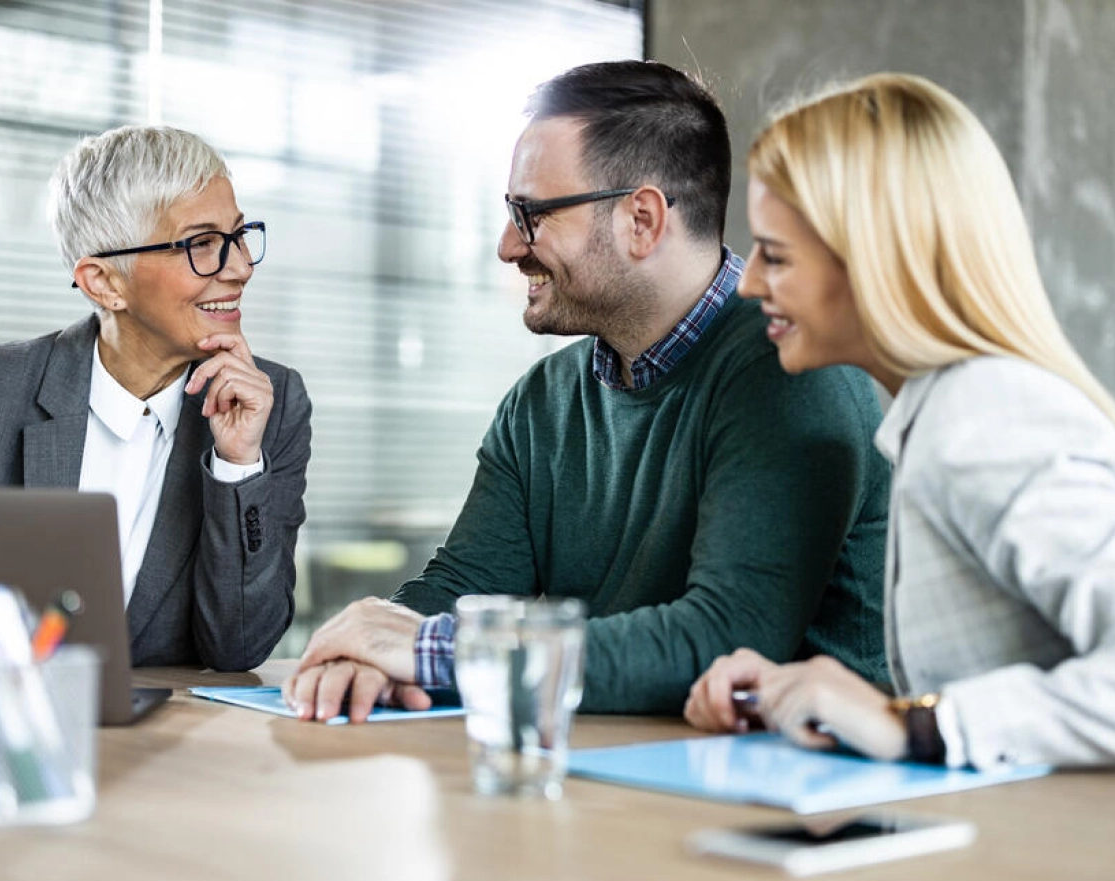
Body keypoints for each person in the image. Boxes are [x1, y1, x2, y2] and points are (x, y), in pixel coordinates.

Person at [285, 60, 891, 722]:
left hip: (800, 802)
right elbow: (463, 589)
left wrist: (430, 649)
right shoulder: (541, 401)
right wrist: (364, 653)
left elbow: (727, 639)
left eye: (531, 214)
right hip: (616, 780)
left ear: (642, 220)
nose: (507, 245)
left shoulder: (793, 372)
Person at [685, 73, 1115, 776]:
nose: (748, 281)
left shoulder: (985, 418)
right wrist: (827, 698)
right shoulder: (943, 413)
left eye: (778, 254)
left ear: (880, 261)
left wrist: (915, 726)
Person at [0, 125, 312, 671]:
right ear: (103, 284)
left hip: (170, 738)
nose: (240, 268)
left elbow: (238, 648)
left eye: (238, 237)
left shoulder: (272, 402)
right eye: (202, 244)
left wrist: (238, 465)